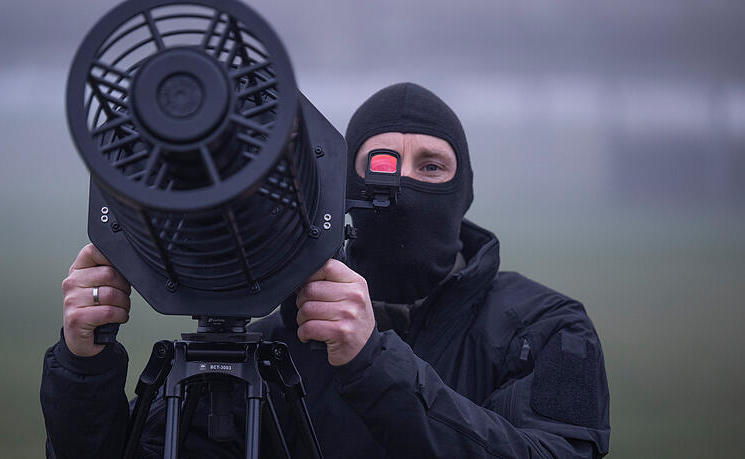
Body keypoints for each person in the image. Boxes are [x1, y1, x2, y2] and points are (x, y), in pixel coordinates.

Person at [41, 82, 610, 458]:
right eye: (382, 163)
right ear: (341, 187)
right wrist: (84, 370)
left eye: (430, 166)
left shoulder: (543, 329)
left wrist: (372, 363)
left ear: (463, 191)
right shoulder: (270, 349)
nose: (401, 184)